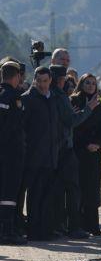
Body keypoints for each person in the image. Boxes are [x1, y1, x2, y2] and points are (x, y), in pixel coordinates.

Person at [50, 65, 99, 239]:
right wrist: (89, 108)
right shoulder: (62, 97)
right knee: (72, 189)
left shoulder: (49, 95)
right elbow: (71, 121)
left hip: (55, 149)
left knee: (58, 190)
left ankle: (58, 225)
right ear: (61, 80)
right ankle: (74, 227)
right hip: (65, 149)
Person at [22, 66, 59, 240]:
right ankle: (34, 231)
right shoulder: (28, 99)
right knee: (35, 195)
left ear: (50, 80)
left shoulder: (52, 99)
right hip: (34, 157)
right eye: (40, 81)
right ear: (35, 80)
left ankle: (45, 230)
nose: (43, 85)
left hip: (50, 156)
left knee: (47, 196)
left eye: (46, 81)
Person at [71, 74, 101, 236]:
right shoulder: (74, 100)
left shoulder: (99, 102)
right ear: (81, 84)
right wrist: (86, 144)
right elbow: (75, 127)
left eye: (93, 83)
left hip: (94, 153)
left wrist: (98, 144)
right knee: (79, 188)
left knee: (93, 189)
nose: (91, 85)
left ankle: (93, 225)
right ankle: (78, 225)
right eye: (87, 82)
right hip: (79, 151)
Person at [0, 61, 27, 245]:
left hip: (7, 152)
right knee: (9, 193)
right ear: (16, 76)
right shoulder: (10, 96)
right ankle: (7, 231)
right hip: (9, 154)